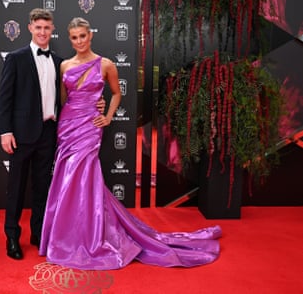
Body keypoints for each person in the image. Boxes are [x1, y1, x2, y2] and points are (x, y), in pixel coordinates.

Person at [39, 17, 222, 270]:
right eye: (74, 37)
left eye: (83, 36)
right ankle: (67, 235)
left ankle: (87, 235)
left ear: (90, 35)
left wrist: (108, 115)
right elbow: (63, 98)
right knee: (68, 177)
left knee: (84, 175)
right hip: (68, 125)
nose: (79, 41)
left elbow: (117, 93)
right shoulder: (65, 66)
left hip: (92, 127)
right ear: (69, 39)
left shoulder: (106, 64)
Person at [0, 9, 104, 260]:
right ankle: (12, 236)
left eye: (47, 28)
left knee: (43, 188)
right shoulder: (15, 58)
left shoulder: (59, 62)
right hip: (21, 134)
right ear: (30, 28)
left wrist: (97, 105)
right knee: (16, 188)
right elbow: (4, 99)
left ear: (52, 29)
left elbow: (74, 95)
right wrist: (5, 132)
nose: (43, 32)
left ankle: (38, 233)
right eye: (38, 28)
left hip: (49, 132)